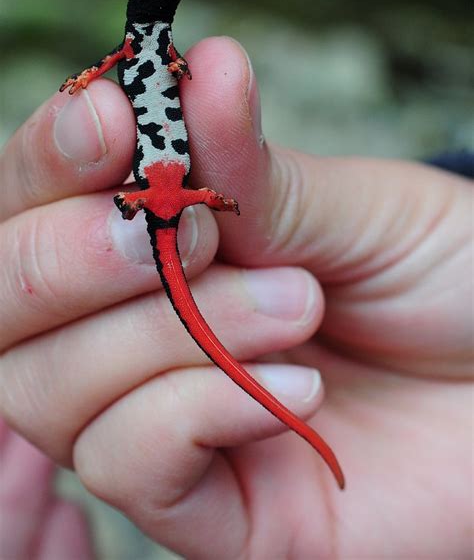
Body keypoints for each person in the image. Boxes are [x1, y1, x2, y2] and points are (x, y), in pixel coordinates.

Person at [0, 37, 472, 559]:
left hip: (166, 190)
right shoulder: (137, 44)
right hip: (164, 192)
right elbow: (113, 63)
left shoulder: (162, 49)